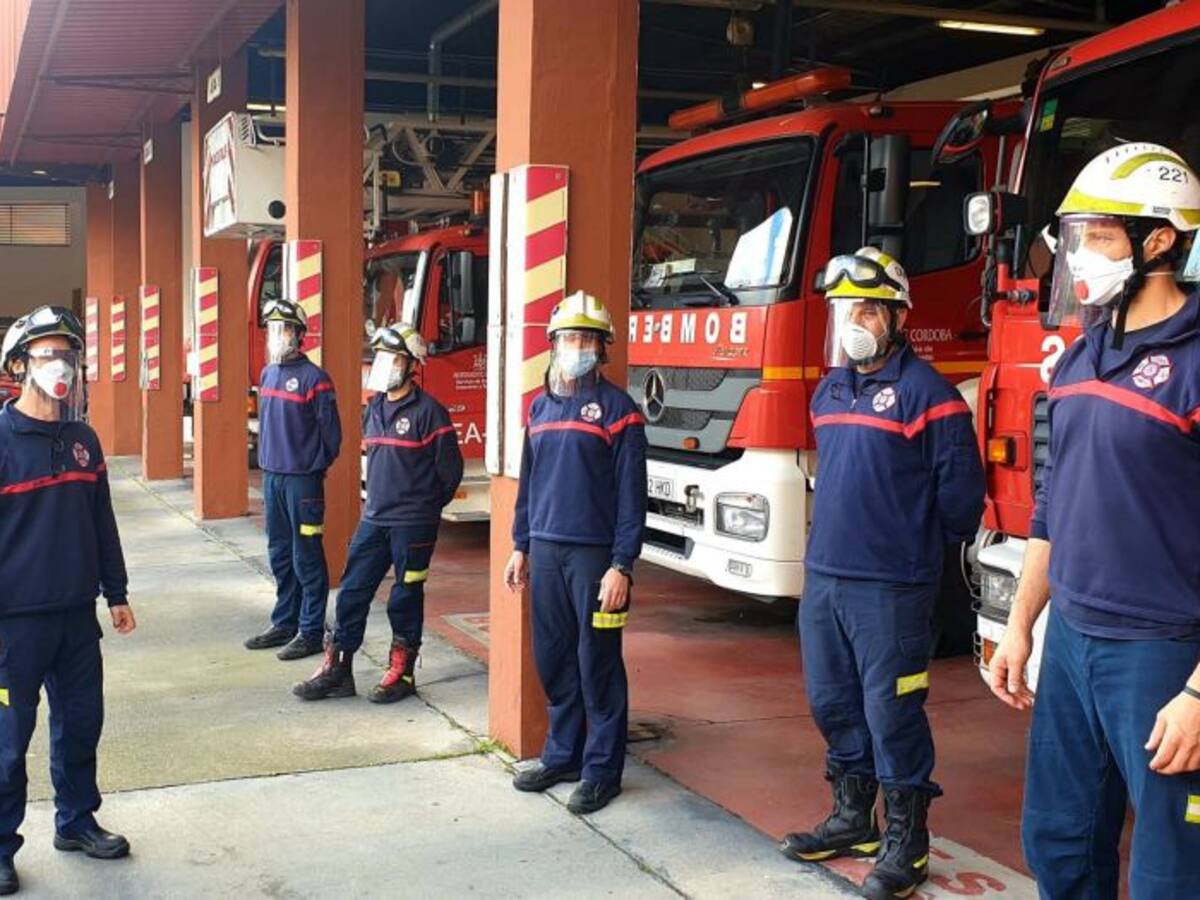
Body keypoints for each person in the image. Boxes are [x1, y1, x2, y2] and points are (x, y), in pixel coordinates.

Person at [988, 143, 1200, 899]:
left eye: (1099, 236)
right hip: (1073, 641)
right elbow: (1054, 501)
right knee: (1060, 838)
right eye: (1074, 238)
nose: (1078, 257)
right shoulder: (1081, 356)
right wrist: (1022, 625)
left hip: (1163, 652)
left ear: (1161, 240)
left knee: (1173, 866)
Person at [779, 248, 984, 899]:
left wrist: (909, 547)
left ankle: (906, 842)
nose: (854, 320)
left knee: (893, 712)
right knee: (832, 702)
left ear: (897, 315)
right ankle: (852, 818)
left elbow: (961, 503)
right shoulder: (830, 387)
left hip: (891, 587)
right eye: (845, 308)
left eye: (867, 307)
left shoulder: (932, 396)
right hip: (827, 580)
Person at [0, 306, 137, 896]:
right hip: (14, 624)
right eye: (48, 354)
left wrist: (117, 592)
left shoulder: (84, 440)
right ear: (17, 365)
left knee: (81, 725)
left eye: (69, 355)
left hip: (77, 617)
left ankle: (76, 822)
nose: (63, 366)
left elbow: (101, 521)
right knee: (7, 741)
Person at [503, 290, 647, 815]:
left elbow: (633, 496)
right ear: (554, 344)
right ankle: (562, 754)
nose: (577, 347)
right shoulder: (539, 409)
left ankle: (602, 771)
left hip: (595, 562)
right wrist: (520, 546)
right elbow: (529, 485)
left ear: (602, 347)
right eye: (569, 338)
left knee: (598, 664)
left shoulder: (619, 412)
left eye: (588, 339)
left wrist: (621, 565)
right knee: (556, 659)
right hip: (546, 549)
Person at [294, 324, 462, 702]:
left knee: (405, 595)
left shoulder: (429, 413)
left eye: (393, 358)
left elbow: (449, 473)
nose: (385, 365)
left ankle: (401, 673)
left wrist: (423, 510)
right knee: (352, 591)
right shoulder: (374, 408)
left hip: (413, 525)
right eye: (381, 357)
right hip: (374, 518)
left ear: (411, 364)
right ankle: (338, 669)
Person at [244, 300, 341, 661]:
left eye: (284, 329)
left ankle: (311, 629)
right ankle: (285, 620)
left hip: (302, 482)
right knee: (280, 554)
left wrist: (312, 466)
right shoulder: (267, 374)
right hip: (272, 478)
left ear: (300, 335)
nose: (277, 337)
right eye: (273, 329)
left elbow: (332, 437)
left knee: (307, 556)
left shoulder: (316, 380)